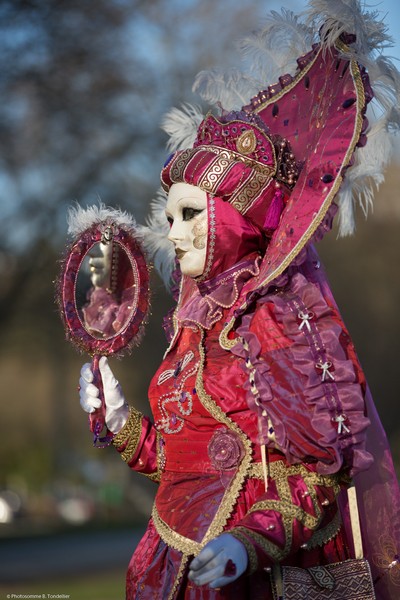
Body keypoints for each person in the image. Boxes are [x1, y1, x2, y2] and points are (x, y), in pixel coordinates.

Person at [78, 3, 400, 598]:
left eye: (190, 214)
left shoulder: (278, 320)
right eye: (170, 217)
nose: (173, 233)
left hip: (250, 580)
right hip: (166, 569)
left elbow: (315, 476)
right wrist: (122, 425)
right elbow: (179, 466)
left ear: (235, 215)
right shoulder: (193, 324)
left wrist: (248, 541)